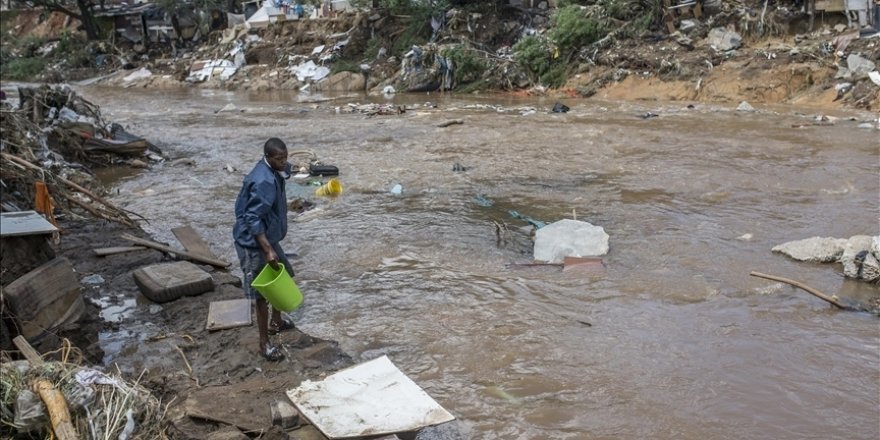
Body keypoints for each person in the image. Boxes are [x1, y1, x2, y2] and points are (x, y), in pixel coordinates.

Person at [233, 137, 297, 361]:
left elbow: (286, 171)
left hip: (269, 236)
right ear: (268, 157)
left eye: (285, 157)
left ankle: (276, 321)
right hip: (254, 242)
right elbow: (251, 217)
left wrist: (287, 168)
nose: (284, 162)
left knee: (285, 274)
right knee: (262, 294)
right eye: (280, 159)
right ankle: (264, 344)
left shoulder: (273, 171)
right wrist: (267, 250)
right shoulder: (263, 182)